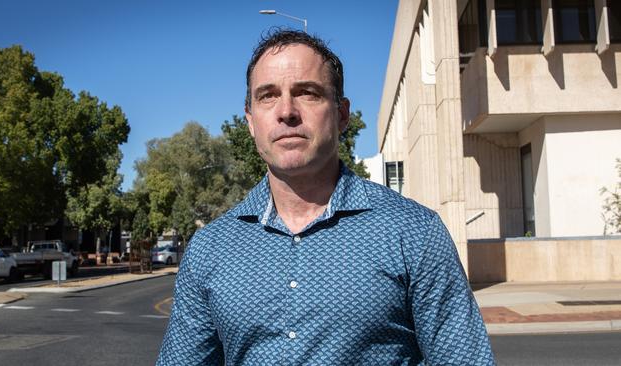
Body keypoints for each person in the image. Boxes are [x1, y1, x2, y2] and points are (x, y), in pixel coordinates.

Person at [157, 30, 495, 365]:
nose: (286, 111)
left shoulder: (414, 232)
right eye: (268, 96)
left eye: (307, 93)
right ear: (251, 122)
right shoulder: (210, 248)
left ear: (342, 114)